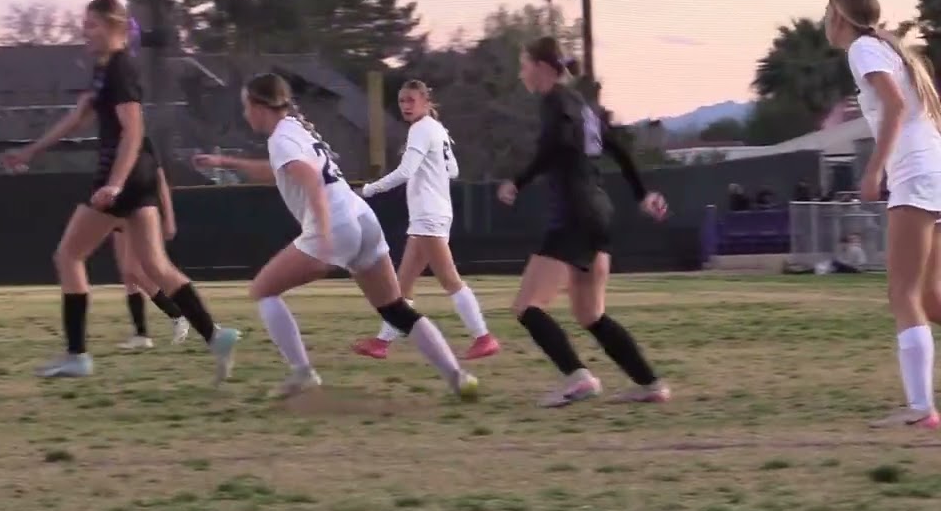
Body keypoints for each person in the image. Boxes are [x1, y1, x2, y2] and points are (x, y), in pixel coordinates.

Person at [193, 73, 479, 400]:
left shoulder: (282, 139)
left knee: (262, 290)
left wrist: (325, 233)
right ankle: (458, 377)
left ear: (260, 107)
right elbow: (280, 170)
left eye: (247, 107)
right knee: (396, 309)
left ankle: (302, 373)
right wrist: (224, 162)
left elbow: (311, 179)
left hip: (338, 225)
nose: (245, 114)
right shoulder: (294, 129)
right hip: (363, 218)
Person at [1, 0, 239, 382]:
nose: (85, 32)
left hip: (123, 174)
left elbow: (134, 130)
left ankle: (77, 355)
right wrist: (30, 151)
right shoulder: (104, 69)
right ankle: (216, 335)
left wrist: (114, 182)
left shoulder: (120, 69)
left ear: (114, 29)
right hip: (137, 176)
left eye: (92, 25)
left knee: (69, 256)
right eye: (85, 25)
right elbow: (76, 119)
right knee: (155, 267)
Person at [497, 37, 670, 408]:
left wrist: (518, 181)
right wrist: (643, 194)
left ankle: (578, 378)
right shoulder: (583, 106)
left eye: (524, 64)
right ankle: (649, 383)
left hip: (574, 213)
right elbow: (619, 149)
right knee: (590, 313)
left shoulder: (555, 102)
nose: (522, 72)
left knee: (527, 306)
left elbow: (556, 145)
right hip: (599, 213)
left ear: (542, 68)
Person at [825, 0, 941, 429]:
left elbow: (893, 105)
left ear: (840, 16)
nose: (824, 22)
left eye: (827, 12)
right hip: (933, 170)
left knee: (903, 294)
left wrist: (874, 170)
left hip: (915, 175)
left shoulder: (863, 49)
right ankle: (921, 405)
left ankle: (920, 408)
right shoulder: (888, 49)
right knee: (930, 299)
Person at [352, 79, 499, 360]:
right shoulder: (436, 129)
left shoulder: (421, 129)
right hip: (432, 213)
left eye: (411, 100)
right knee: (401, 285)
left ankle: (484, 336)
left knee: (449, 279)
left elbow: (405, 172)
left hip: (429, 214)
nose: (406, 106)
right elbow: (453, 169)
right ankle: (382, 342)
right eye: (402, 101)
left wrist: (368, 190)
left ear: (425, 101)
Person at [113, 150, 191, 349]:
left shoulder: (139, 141)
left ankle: (179, 315)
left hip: (138, 208)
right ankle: (141, 334)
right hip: (118, 210)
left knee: (139, 269)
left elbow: (160, 180)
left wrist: (169, 217)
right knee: (128, 274)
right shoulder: (111, 143)